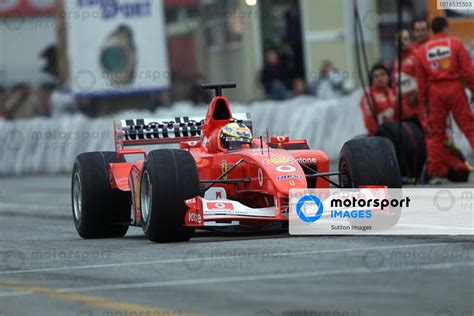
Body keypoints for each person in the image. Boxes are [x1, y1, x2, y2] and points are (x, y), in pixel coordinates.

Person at [415, 16, 474, 182]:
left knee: (435, 135)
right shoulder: (455, 43)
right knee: (470, 127)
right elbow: (468, 72)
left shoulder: (422, 50)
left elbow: (421, 82)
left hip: (435, 92)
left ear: (431, 31)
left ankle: (435, 172)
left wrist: (424, 102)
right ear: (446, 28)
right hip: (454, 88)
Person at [391, 29, 426, 128]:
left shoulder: (417, 57)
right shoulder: (396, 62)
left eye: (405, 39)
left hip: (418, 108)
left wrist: (416, 96)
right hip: (402, 110)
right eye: (399, 39)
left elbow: (424, 80)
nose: (402, 42)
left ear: (411, 41)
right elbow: (394, 85)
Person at [360, 64, 397, 136]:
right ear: (372, 80)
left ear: (388, 76)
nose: (380, 78)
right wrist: (377, 134)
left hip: (396, 134)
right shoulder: (368, 96)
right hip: (379, 136)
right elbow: (369, 120)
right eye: (376, 76)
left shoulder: (393, 92)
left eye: (382, 74)